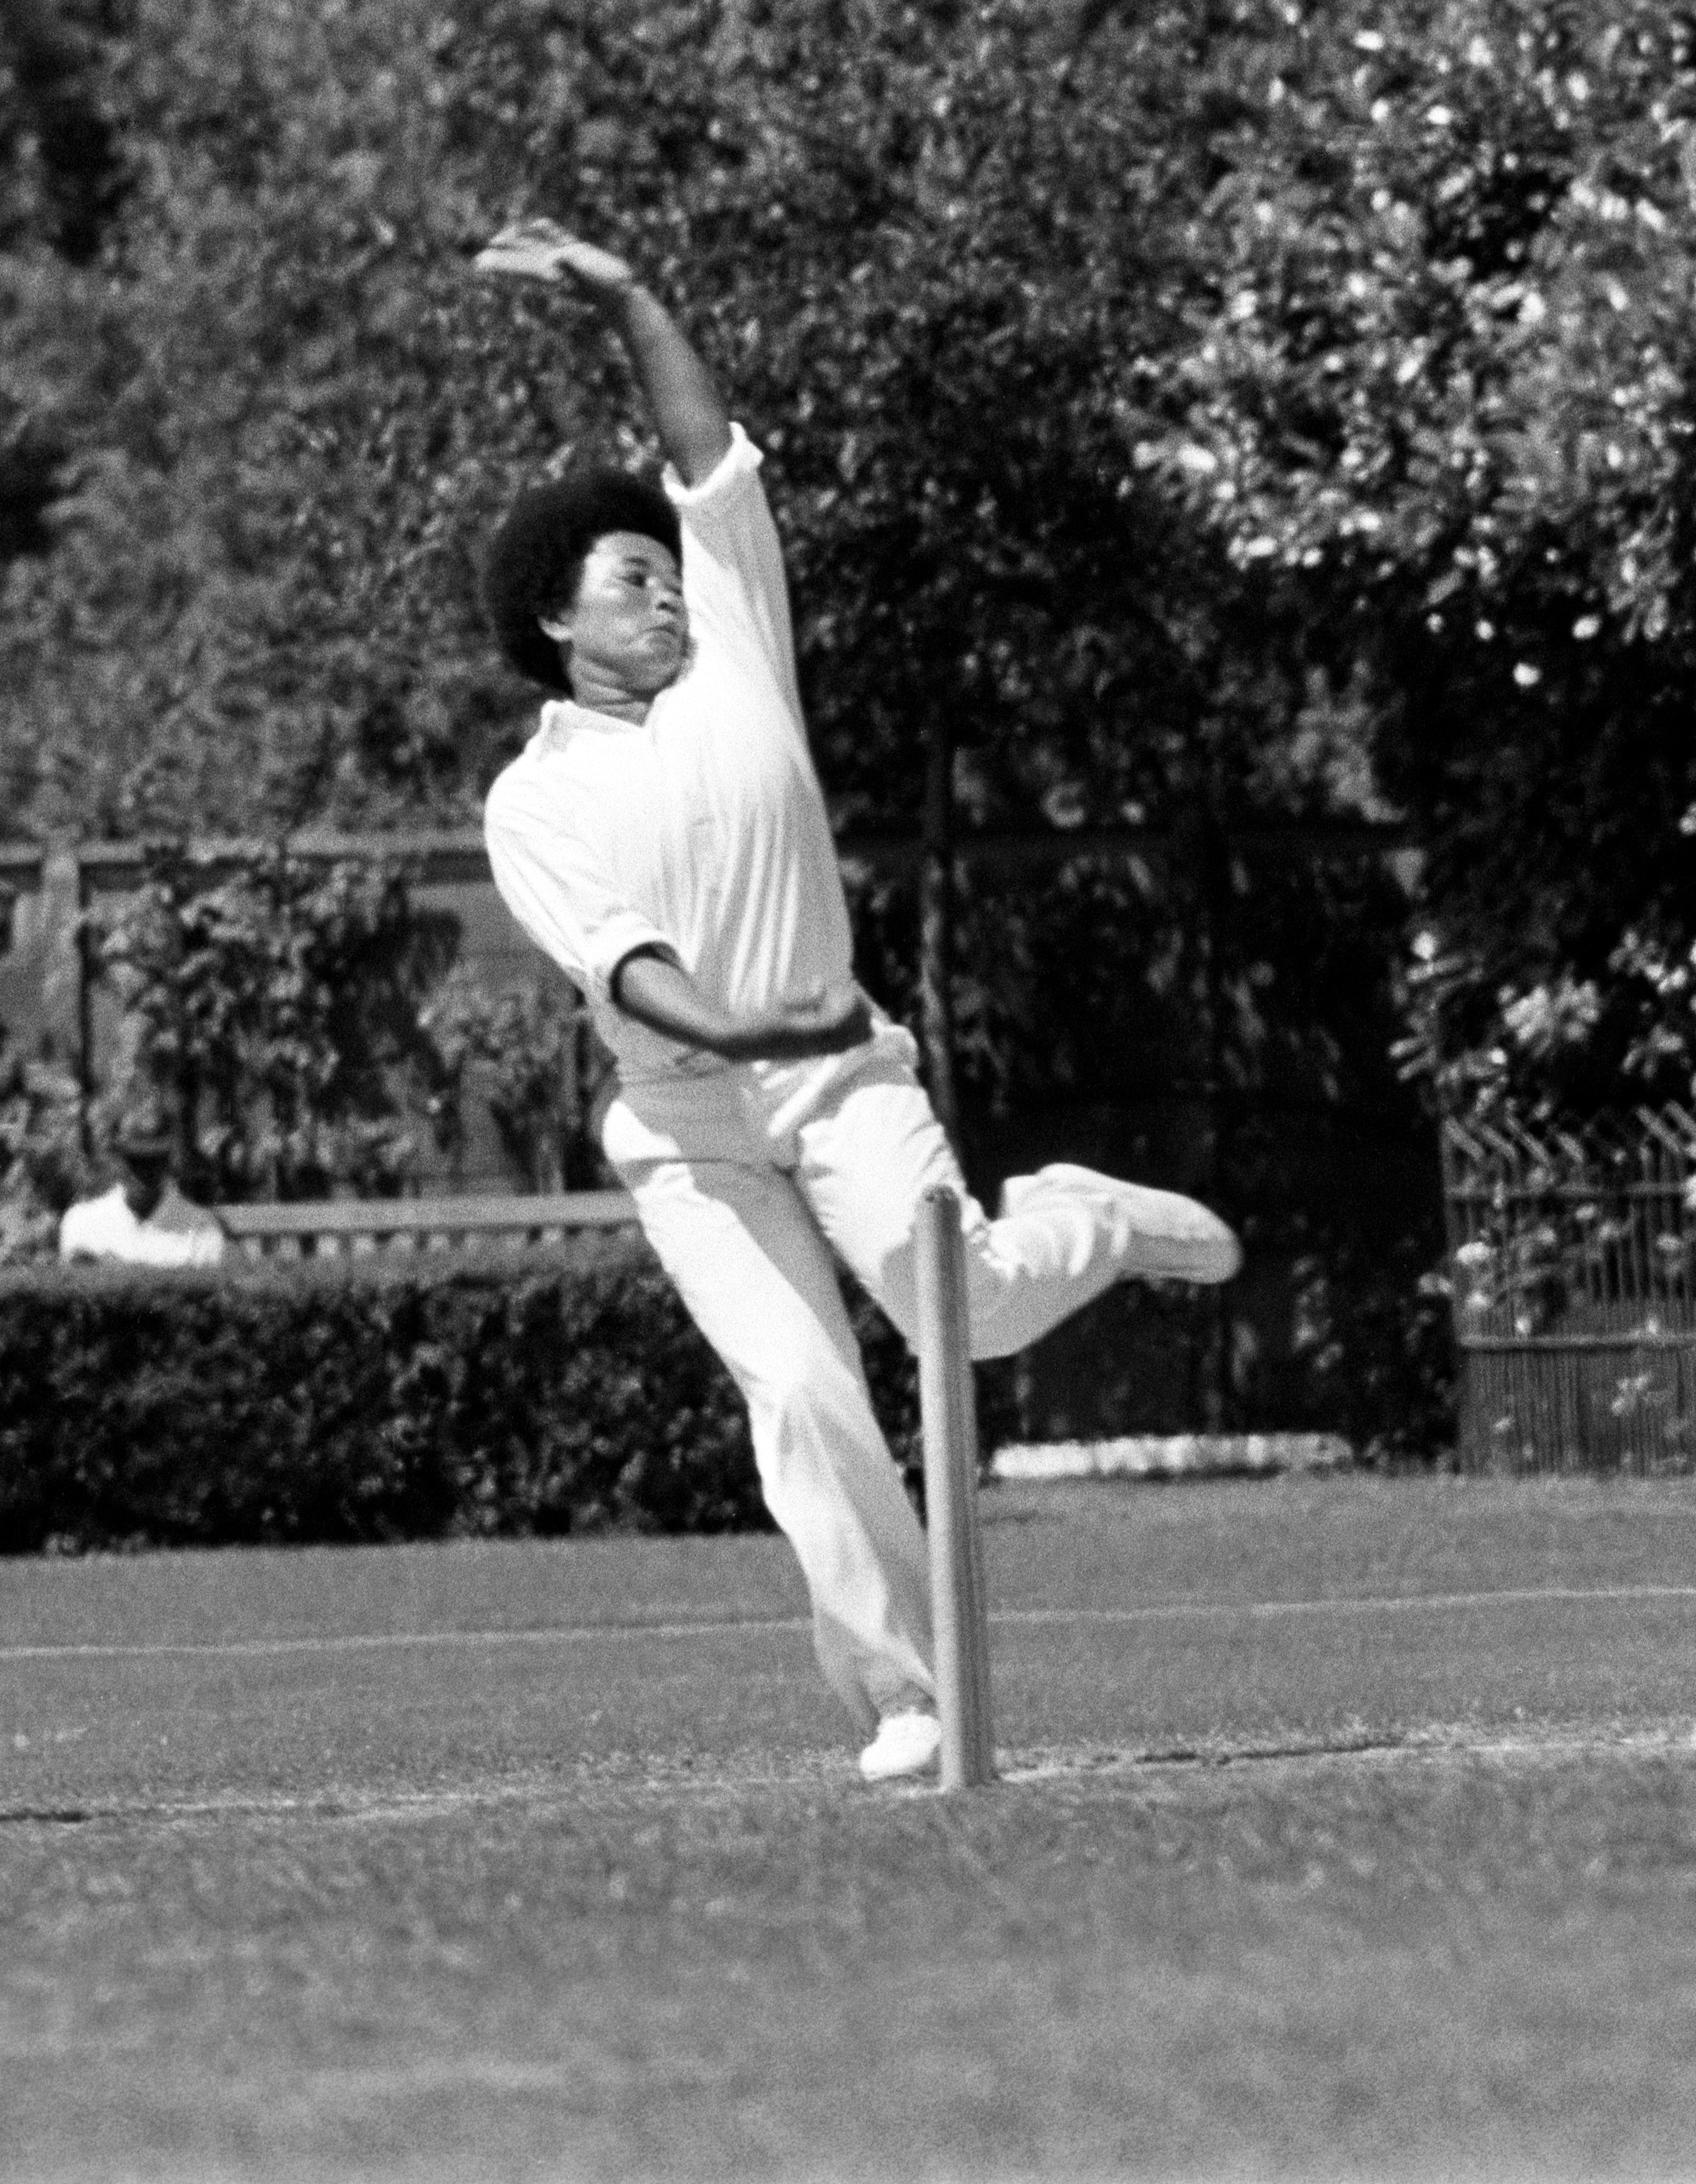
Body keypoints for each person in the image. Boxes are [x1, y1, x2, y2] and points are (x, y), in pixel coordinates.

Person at [470, 220, 1244, 1785]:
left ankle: (1087, 1215)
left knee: (968, 1307)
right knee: (798, 1388)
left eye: (668, 572)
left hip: (840, 1075)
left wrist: (626, 294)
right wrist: (750, 1036)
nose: (665, 594)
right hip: (691, 1121)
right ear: (560, 621)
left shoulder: (735, 644)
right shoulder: (530, 796)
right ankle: (904, 1696)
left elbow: (702, 452)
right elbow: (633, 974)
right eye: (631, 582)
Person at [59, 1111, 228, 1268]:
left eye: (153, 1161)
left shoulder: (202, 1230)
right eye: (134, 1161)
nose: (143, 1173)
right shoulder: (81, 1222)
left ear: (168, 1162)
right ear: (118, 1160)